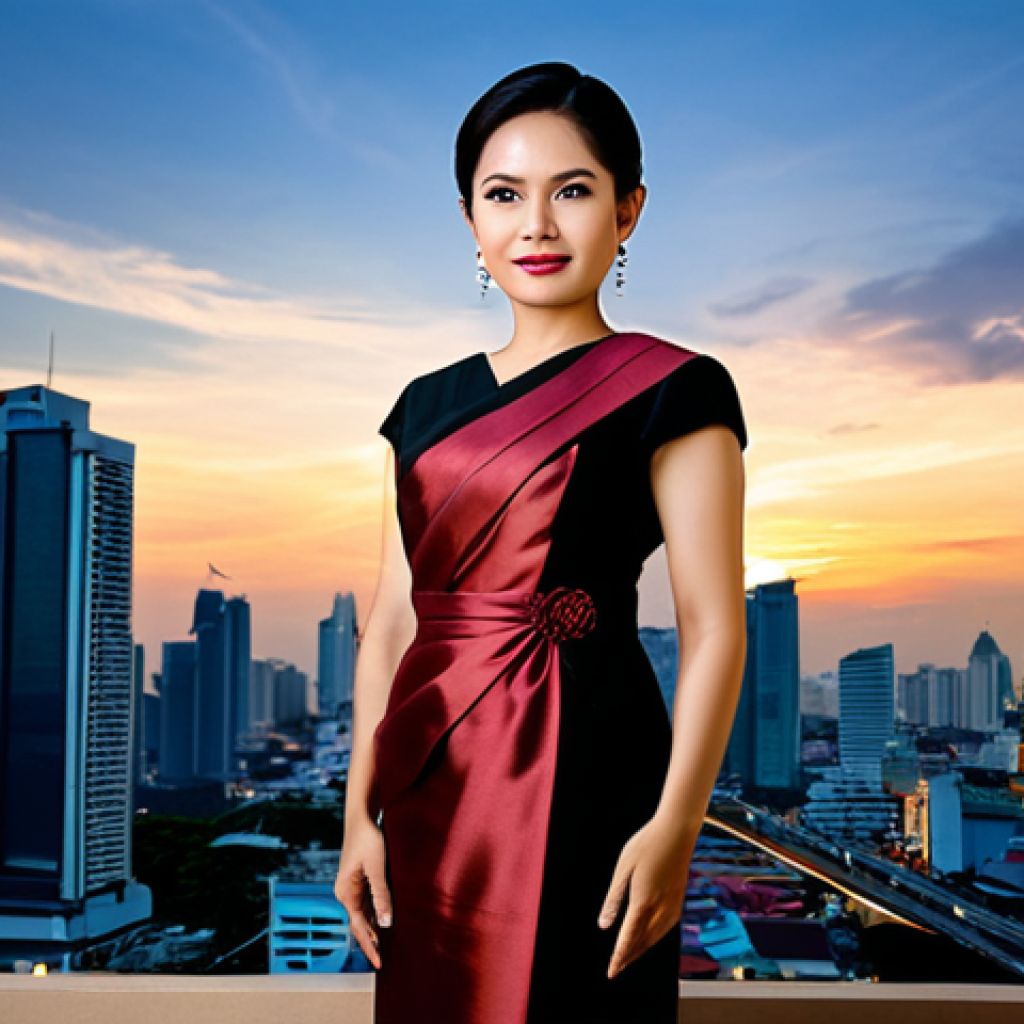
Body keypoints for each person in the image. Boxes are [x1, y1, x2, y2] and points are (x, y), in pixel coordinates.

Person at [335, 62, 749, 1024]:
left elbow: (715, 627)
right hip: (429, 777)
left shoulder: (676, 387)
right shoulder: (422, 407)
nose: (537, 225)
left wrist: (676, 827)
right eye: (503, 195)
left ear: (628, 210)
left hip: (589, 763)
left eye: (573, 192)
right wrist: (356, 817)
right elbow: (395, 620)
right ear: (471, 221)